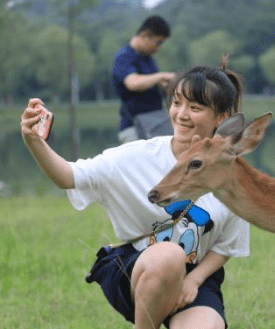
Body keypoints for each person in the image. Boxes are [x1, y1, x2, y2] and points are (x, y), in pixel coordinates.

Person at [20, 56, 249, 329]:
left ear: (222, 117)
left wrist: (195, 280)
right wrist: (33, 142)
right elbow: (69, 176)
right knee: (168, 256)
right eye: (177, 103)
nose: (181, 114)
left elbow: (225, 246)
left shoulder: (232, 177)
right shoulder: (137, 156)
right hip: (138, 268)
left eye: (195, 107)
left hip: (194, 277)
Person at [113, 15, 176, 144]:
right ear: (144, 34)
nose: (158, 48)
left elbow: (152, 83)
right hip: (134, 129)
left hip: (155, 125)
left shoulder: (148, 59)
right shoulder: (124, 57)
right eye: (158, 42)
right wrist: (161, 76)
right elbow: (133, 83)